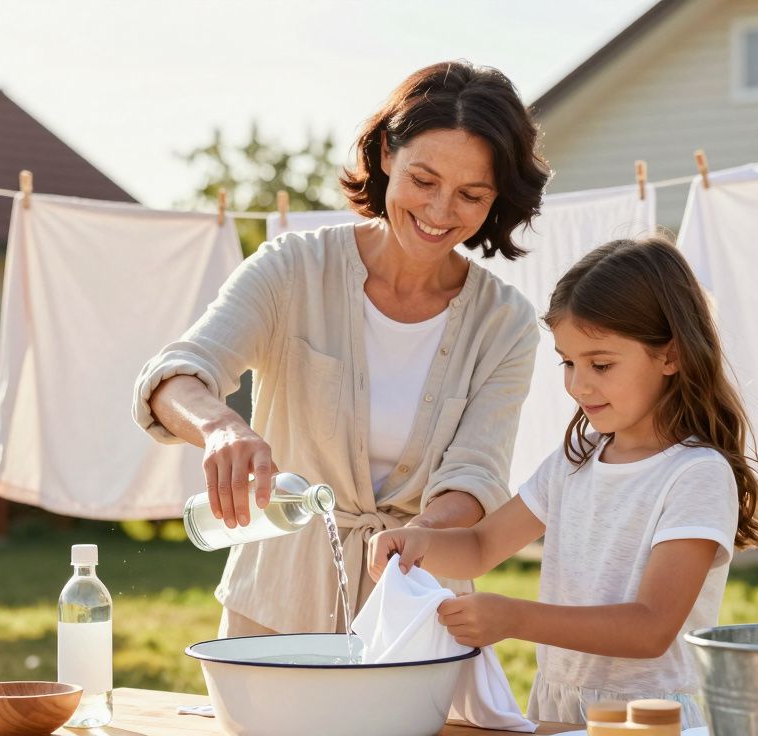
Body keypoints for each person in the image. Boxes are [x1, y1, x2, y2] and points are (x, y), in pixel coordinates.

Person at [132, 60, 551, 638]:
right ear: (385, 153)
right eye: (424, 181)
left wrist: (415, 541)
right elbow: (178, 374)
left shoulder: (505, 323)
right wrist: (221, 430)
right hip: (274, 604)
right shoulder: (292, 268)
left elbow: (475, 474)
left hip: (417, 614)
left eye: (470, 195)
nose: (438, 212)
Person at [367, 235, 758, 728]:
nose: (578, 385)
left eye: (600, 364)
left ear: (671, 355)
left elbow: (650, 628)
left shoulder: (696, 475)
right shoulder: (575, 460)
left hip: (649, 720)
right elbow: (480, 545)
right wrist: (417, 541)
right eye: (568, 362)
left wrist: (514, 618)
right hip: (558, 710)